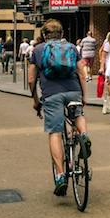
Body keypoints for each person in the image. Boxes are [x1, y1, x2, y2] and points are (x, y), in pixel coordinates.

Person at [28, 19, 90, 197]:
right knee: (78, 115)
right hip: (73, 91)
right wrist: (84, 96)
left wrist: (35, 100)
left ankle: (61, 176)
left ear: (44, 35)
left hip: (52, 95)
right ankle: (84, 136)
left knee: (55, 132)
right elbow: (81, 73)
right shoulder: (71, 47)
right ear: (62, 34)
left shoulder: (38, 50)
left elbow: (32, 79)